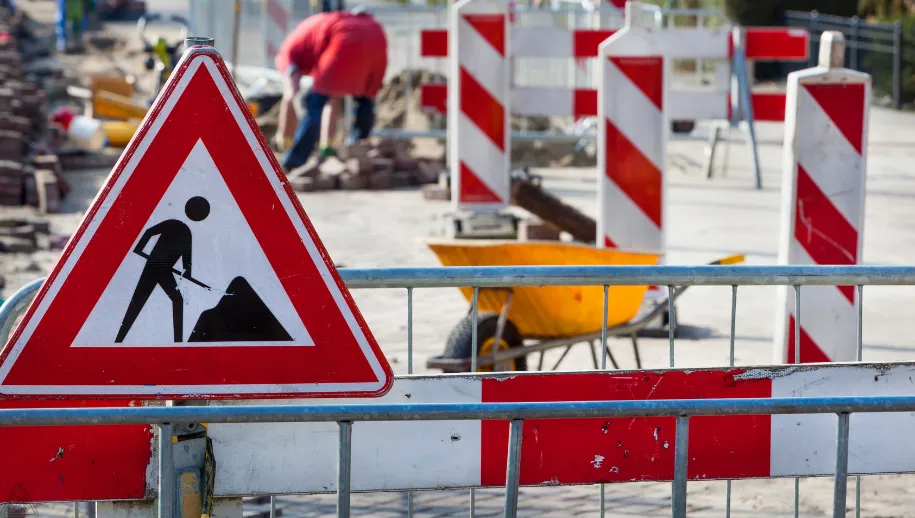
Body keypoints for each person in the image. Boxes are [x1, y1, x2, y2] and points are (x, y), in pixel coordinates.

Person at [274, 7, 388, 171]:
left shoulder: (288, 53)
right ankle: (357, 150)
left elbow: (290, 95)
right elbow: (334, 96)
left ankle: (294, 160)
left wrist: (283, 137)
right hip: (375, 40)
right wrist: (326, 145)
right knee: (364, 98)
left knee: (313, 103)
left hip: (343, 41)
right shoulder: (316, 29)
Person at [115, 197, 210, 344]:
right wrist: (138, 248)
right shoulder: (177, 226)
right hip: (154, 266)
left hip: (163, 270)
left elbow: (187, 260)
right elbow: (149, 232)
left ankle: (178, 343)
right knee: (138, 301)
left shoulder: (184, 232)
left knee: (171, 300)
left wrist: (187, 275)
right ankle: (118, 340)